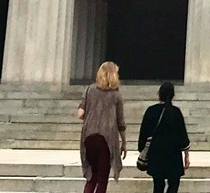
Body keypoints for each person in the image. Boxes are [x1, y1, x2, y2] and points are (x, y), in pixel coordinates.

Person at [77, 61, 126, 193]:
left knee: (91, 177)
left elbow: (80, 113)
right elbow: (120, 122)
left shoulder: (89, 90)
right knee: (102, 178)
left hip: (89, 136)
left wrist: (92, 114)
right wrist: (124, 143)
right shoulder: (116, 95)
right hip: (107, 138)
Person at [137, 82, 191, 193]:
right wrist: (186, 155)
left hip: (156, 153)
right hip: (173, 154)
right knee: (174, 184)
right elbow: (182, 135)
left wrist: (142, 149)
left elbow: (143, 133)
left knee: (158, 185)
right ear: (173, 95)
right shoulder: (176, 112)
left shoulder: (151, 111)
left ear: (159, 94)